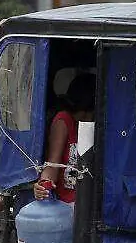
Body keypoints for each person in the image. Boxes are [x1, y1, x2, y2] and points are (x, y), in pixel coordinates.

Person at [33, 70, 96, 203]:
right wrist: (42, 185)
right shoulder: (64, 121)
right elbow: (52, 164)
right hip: (68, 203)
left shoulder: (102, 126)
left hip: (93, 202)